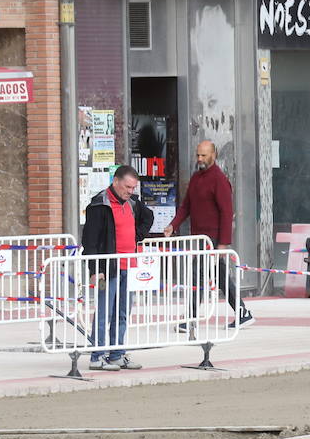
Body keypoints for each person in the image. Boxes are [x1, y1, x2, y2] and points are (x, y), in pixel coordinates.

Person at [165, 140, 253, 328]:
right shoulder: (197, 178)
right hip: (201, 238)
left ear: (214, 155)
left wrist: (223, 243)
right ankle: (242, 312)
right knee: (220, 277)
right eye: (198, 155)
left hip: (212, 239)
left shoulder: (219, 179)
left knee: (198, 276)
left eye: (204, 155)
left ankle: (190, 318)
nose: (199, 158)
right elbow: (186, 206)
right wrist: (173, 225)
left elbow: (227, 212)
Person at [81, 165, 154, 370]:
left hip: (127, 267)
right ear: (115, 182)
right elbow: (90, 240)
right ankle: (97, 356)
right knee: (104, 312)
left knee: (122, 312)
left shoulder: (132, 203)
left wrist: (135, 236)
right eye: (127, 187)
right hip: (108, 268)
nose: (130, 191)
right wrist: (95, 270)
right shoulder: (100, 205)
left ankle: (117, 353)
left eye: (133, 188)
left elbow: (148, 217)